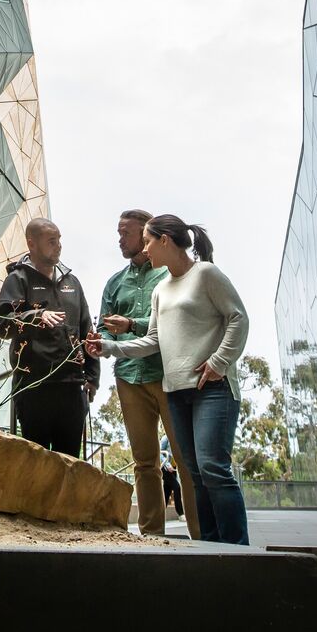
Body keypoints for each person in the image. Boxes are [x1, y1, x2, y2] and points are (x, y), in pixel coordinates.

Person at [86, 214, 250, 544]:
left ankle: (238, 550)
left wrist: (219, 362)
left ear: (164, 240)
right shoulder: (161, 290)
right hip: (175, 391)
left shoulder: (206, 274)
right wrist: (108, 346)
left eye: (146, 240)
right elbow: (153, 340)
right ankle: (210, 546)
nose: (144, 248)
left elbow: (238, 318)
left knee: (211, 469)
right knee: (196, 472)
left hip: (211, 388)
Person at [98, 208, 201, 538]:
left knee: (185, 460)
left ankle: (201, 536)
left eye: (125, 233)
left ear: (147, 237)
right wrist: (100, 341)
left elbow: (170, 326)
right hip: (129, 378)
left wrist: (131, 326)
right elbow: (106, 330)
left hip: (169, 376)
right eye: (119, 232)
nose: (119, 239)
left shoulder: (168, 275)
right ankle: (152, 536)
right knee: (144, 463)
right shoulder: (114, 283)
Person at [0, 217, 99, 454]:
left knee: (70, 465)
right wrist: (35, 317)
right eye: (52, 241)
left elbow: (86, 331)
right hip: (33, 388)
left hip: (72, 387)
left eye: (59, 240)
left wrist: (92, 376)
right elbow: (1, 324)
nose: (58, 245)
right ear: (32, 244)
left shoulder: (72, 283)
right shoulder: (18, 279)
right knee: (38, 465)